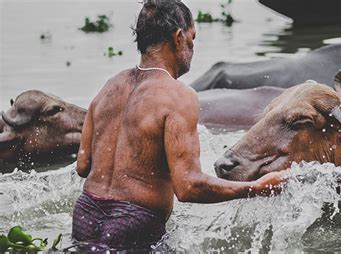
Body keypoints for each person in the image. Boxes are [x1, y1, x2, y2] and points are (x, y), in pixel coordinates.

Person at [72, 0, 287, 250]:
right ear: (178, 37)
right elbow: (188, 187)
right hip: (134, 222)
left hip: (85, 215)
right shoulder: (178, 96)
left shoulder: (109, 87)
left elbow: (82, 165)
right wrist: (256, 187)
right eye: (192, 37)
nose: (193, 47)